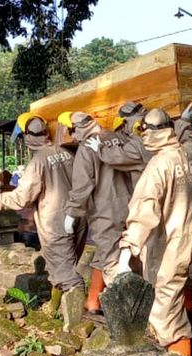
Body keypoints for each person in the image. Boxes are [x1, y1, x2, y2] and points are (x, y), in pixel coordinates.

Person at [119, 108, 192, 356]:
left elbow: (144, 211)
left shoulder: (159, 165)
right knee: (179, 288)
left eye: (142, 128)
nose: (140, 133)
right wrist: (185, 121)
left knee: (165, 304)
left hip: (171, 240)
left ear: (151, 131)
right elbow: (189, 136)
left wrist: (129, 250)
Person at [0, 113, 86, 315]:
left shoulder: (38, 161)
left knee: (67, 275)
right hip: (79, 216)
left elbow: (22, 197)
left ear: (27, 137)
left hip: (56, 221)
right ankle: (54, 308)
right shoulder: (68, 152)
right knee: (66, 266)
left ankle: (77, 322)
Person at [62, 111, 134, 313]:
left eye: (71, 130)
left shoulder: (87, 148)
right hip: (131, 206)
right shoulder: (118, 138)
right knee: (112, 256)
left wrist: (72, 212)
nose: (72, 136)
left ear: (78, 129)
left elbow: (83, 184)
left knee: (111, 262)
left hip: (106, 211)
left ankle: (124, 316)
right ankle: (93, 302)